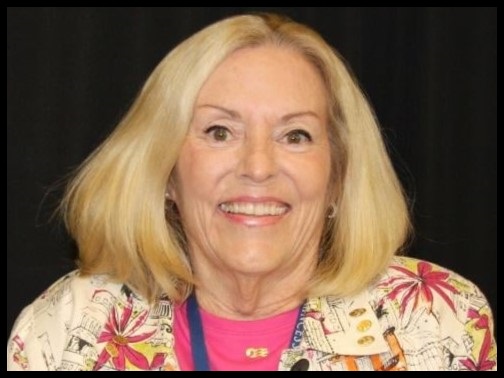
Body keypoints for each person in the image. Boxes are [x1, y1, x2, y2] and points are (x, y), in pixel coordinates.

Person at [7, 13, 496, 371]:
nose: (257, 167)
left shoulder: (436, 319)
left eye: (295, 135)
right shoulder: (70, 327)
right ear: (167, 172)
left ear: (338, 177)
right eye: (220, 132)